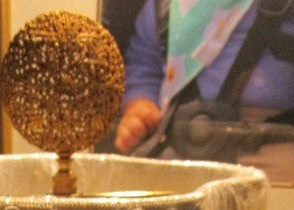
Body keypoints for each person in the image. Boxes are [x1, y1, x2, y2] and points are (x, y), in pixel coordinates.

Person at [114, 0, 294, 155]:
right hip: (176, 139)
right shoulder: (164, 6)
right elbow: (144, 61)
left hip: (273, 143)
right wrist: (140, 104)